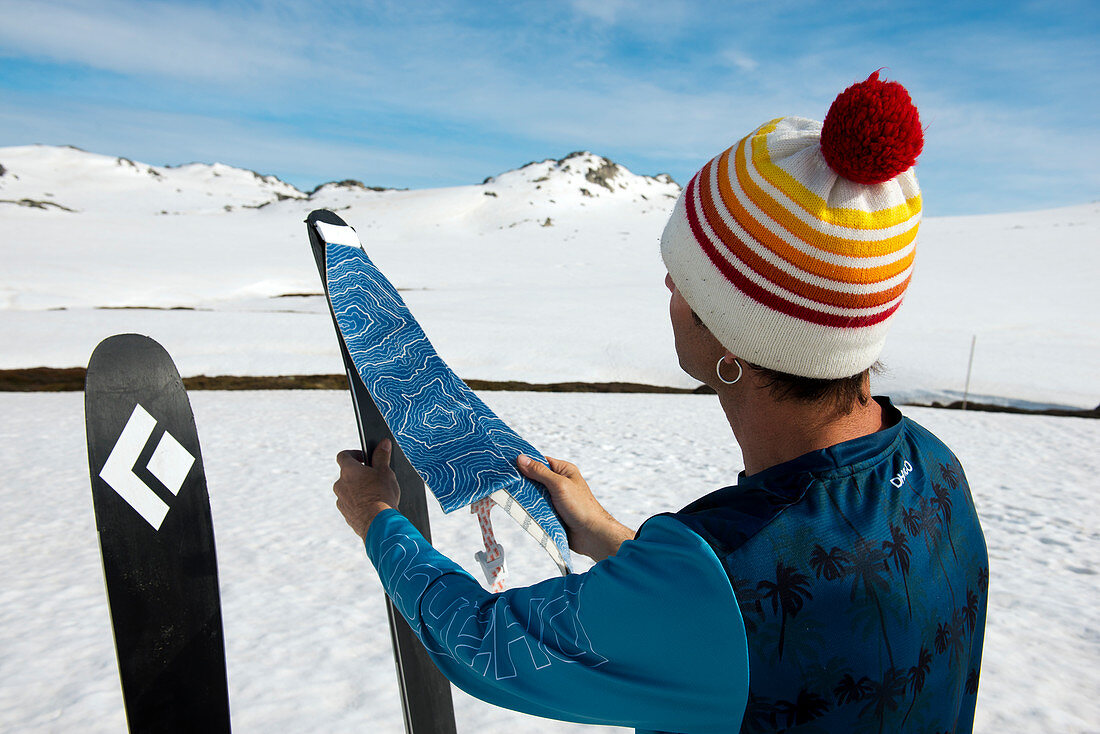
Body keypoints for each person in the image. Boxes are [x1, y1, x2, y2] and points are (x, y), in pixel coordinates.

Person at [333, 72, 988, 733]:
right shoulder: (936, 469)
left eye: (689, 278)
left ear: (735, 338)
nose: (669, 281)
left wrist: (379, 519)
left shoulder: (714, 579)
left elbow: (484, 645)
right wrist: (616, 542)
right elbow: (735, 625)